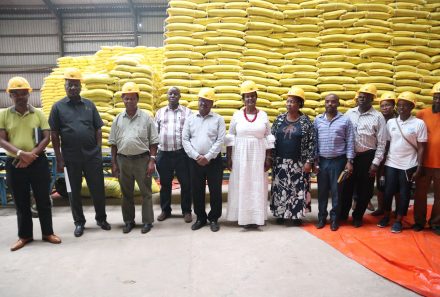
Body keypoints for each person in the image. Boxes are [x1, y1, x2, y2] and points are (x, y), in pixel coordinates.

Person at [0, 77, 61, 251]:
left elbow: (46, 137)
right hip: (15, 163)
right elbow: (1, 140)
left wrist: (31, 156)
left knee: (43, 199)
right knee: (21, 201)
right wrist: (21, 154)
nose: (20, 97)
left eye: (23, 93)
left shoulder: (39, 113)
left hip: (37, 162)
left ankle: (48, 233)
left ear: (29, 94)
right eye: (16, 94)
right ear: (10, 95)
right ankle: (24, 236)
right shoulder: (4, 115)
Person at [49, 68, 111, 237]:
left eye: (76, 85)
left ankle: (101, 219)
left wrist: (98, 149)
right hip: (70, 158)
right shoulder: (58, 107)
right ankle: (79, 222)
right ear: (65, 86)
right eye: (70, 85)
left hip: (92, 157)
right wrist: (59, 158)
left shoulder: (89, 105)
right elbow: (54, 134)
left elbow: (98, 128)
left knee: (98, 189)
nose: (73, 88)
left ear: (81, 86)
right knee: (73, 191)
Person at [109, 82, 159, 234]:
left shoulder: (146, 118)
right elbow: (113, 143)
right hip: (123, 160)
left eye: (132, 98)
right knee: (126, 193)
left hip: (142, 160)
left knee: (146, 193)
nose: (129, 101)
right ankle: (129, 221)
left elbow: (154, 142)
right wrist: (114, 164)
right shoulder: (118, 119)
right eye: (126, 98)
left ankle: (147, 222)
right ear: (122, 99)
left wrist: (151, 161)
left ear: (137, 99)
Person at [225, 80, 275, 228]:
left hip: (258, 156)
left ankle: (257, 217)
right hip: (240, 156)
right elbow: (231, 137)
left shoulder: (263, 115)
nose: (250, 99)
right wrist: (229, 158)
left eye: (253, 96)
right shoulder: (237, 115)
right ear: (243, 99)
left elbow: (268, 137)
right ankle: (243, 217)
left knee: (257, 185)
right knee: (242, 185)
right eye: (247, 96)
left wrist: (269, 158)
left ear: (256, 98)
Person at [377, 92, 427, 233]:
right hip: (391, 163)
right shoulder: (391, 123)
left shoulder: (418, 123)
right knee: (387, 191)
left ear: (412, 107)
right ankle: (386, 216)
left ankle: (398, 220)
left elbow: (422, 147)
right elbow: (386, 144)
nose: (401, 108)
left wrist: (419, 167)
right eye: (399, 105)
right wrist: (382, 165)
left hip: (408, 164)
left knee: (404, 193)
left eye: (405, 106)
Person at [341, 84, 387, 227]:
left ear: (372, 99)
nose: (362, 99)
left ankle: (357, 216)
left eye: (366, 97)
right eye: (360, 96)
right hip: (350, 157)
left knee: (365, 190)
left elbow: (382, 142)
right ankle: (343, 215)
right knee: (346, 187)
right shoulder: (349, 113)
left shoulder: (378, 117)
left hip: (368, 157)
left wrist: (375, 162)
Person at [270, 86, 316, 227]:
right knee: (281, 189)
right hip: (280, 161)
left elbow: (312, 143)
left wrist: (309, 161)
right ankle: (281, 214)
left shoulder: (305, 122)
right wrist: (270, 158)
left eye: (293, 102)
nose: (289, 104)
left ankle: (296, 215)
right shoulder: (279, 120)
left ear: (300, 104)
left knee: (298, 189)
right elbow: (271, 139)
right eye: (288, 101)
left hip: (299, 162)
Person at [182, 88, 226, 232]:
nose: (204, 103)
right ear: (198, 101)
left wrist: (207, 157)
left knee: (215, 191)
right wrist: (196, 156)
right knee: (197, 190)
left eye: (207, 101)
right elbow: (185, 140)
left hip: (213, 161)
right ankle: (200, 218)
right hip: (194, 161)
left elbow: (220, 140)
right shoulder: (190, 119)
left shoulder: (218, 119)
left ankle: (214, 218)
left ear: (212, 103)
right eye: (201, 100)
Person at [314, 93, 354, 231]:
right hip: (322, 161)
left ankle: (334, 219)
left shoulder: (345, 120)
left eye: (333, 102)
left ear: (338, 103)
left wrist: (349, 161)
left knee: (337, 192)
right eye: (327, 102)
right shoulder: (317, 120)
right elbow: (314, 142)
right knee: (322, 192)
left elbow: (350, 141)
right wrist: (314, 161)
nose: (330, 104)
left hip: (339, 161)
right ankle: (321, 218)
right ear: (324, 103)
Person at [155, 86, 193, 223]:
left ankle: (187, 211)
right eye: (170, 93)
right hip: (164, 154)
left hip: (182, 154)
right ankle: (165, 210)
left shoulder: (187, 112)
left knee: (186, 183)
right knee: (165, 184)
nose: (173, 96)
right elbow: (155, 133)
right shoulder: (160, 113)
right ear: (167, 95)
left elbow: (191, 132)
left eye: (175, 94)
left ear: (180, 96)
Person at [413, 82, 440, 235]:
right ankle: (419, 221)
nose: (438, 101)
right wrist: (418, 163)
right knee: (420, 195)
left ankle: (436, 222)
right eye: (436, 97)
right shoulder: (422, 114)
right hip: (423, 163)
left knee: (439, 196)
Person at [371, 92, 400, 217]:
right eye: (382, 106)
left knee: (397, 184)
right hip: (381, 156)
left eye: (387, 105)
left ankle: (398, 209)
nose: (385, 108)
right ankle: (381, 208)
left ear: (393, 106)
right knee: (381, 182)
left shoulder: (399, 119)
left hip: (396, 156)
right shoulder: (378, 119)